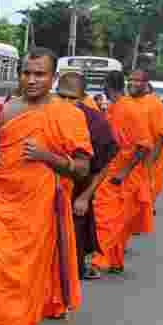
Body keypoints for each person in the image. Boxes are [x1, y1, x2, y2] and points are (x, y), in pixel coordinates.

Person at [0, 47, 90, 325]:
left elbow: (82, 168)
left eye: (40, 75)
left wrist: (49, 157)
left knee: (25, 282)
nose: (31, 80)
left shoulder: (69, 115)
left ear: (53, 78)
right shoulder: (4, 111)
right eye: (26, 73)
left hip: (39, 211)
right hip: (0, 206)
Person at [56, 71, 118, 281]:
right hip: (45, 191)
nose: (66, 102)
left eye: (72, 98)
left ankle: (62, 299)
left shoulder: (96, 122)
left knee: (72, 247)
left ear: (83, 98)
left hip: (78, 192)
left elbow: (103, 166)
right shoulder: (46, 112)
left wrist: (85, 197)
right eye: (61, 96)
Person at [90, 70, 152, 275]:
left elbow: (144, 146)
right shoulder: (116, 108)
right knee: (116, 219)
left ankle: (97, 262)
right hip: (114, 170)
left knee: (104, 217)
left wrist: (124, 173)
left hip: (122, 174)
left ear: (107, 86)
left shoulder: (129, 109)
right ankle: (115, 261)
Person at [129, 72, 163, 230]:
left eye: (137, 81)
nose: (133, 83)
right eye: (131, 80)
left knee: (143, 192)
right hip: (134, 157)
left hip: (149, 158)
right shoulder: (129, 103)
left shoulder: (155, 106)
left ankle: (136, 222)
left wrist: (150, 161)